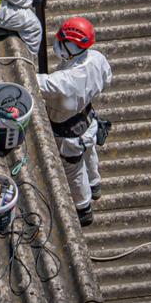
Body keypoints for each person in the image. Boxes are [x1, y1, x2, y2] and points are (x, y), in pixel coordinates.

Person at [37, 17, 112, 226]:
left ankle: (83, 208)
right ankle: (95, 185)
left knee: (74, 172)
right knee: (90, 154)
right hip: (88, 120)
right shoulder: (97, 58)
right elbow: (107, 79)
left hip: (68, 133)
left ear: (69, 47)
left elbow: (33, 82)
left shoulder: (63, 80)